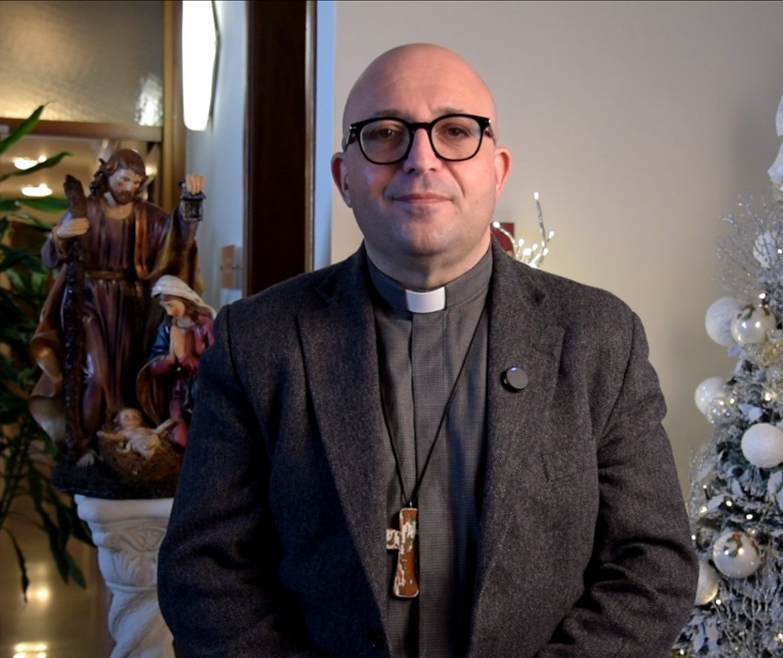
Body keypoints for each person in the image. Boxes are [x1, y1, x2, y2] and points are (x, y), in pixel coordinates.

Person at [158, 43, 696, 657]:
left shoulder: (599, 336)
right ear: (344, 177)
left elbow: (653, 563)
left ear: (497, 170)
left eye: (456, 131)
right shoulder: (256, 340)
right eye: (385, 134)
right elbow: (202, 570)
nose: (421, 159)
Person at [29, 149, 204, 464]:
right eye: (124, 180)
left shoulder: (147, 215)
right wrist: (59, 236)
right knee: (94, 376)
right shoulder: (85, 209)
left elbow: (178, 242)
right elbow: (49, 258)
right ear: (107, 175)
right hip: (88, 301)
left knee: (129, 375)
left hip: (131, 306)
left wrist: (190, 202)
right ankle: (86, 444)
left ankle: (127, 442)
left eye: (136, 183)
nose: (129, 188)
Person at [137, 274, 216, 448]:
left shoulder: (206, 326)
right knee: (179, 440)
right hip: (179, 390)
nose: (168, 312)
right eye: (164, 306)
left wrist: (184, 357)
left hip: (204, 392)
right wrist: (170, 359)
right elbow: (153, 366)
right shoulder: (167, 328)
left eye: (171, 305)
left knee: (204, 437)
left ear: (184, 299)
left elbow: (216, 366)